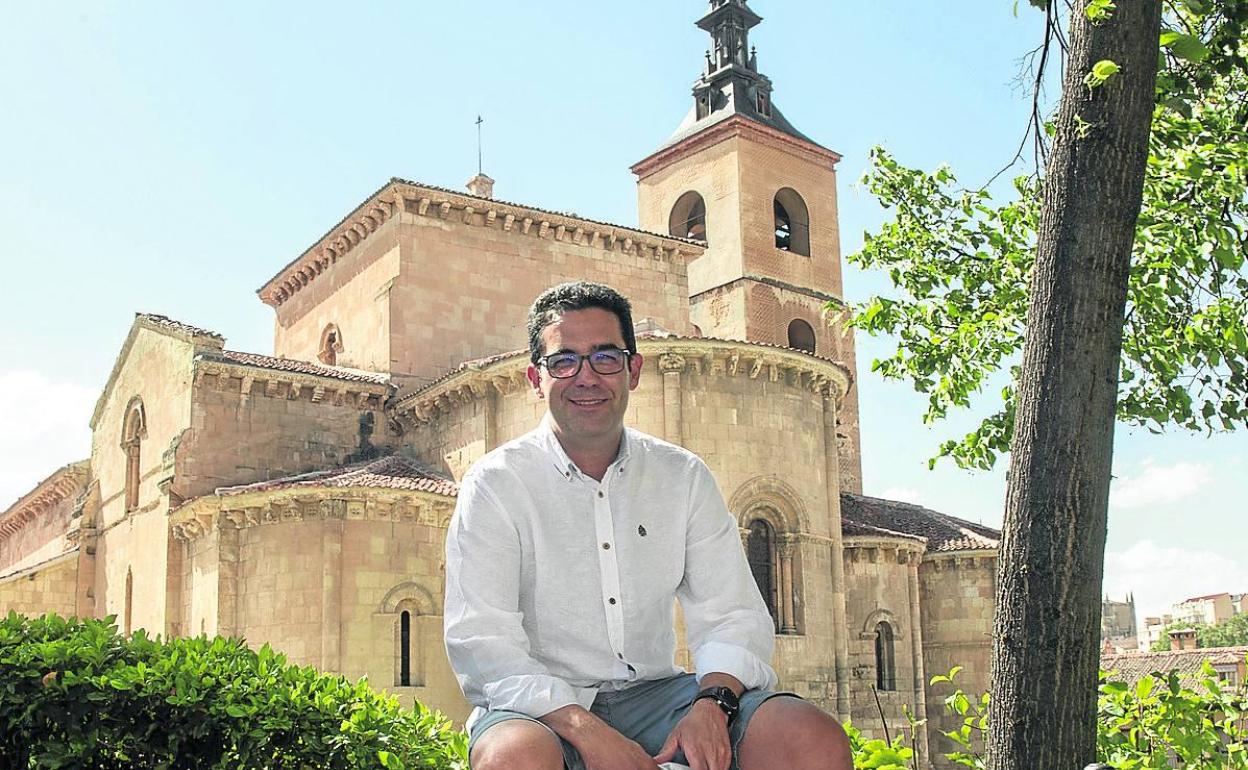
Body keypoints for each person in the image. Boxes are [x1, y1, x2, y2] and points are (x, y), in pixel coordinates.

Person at [443, 282, 852, 770]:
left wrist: (712, 705)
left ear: (633, 370)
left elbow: (732, 613)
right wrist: (585, 728)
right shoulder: (495, 484)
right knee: (513, 759)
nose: (586, 377)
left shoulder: (681, 476)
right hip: (540, 708)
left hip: (661, 697)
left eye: (605, 357)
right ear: (536, 378)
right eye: (564, 361)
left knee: (809, 738)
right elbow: (482, 640)